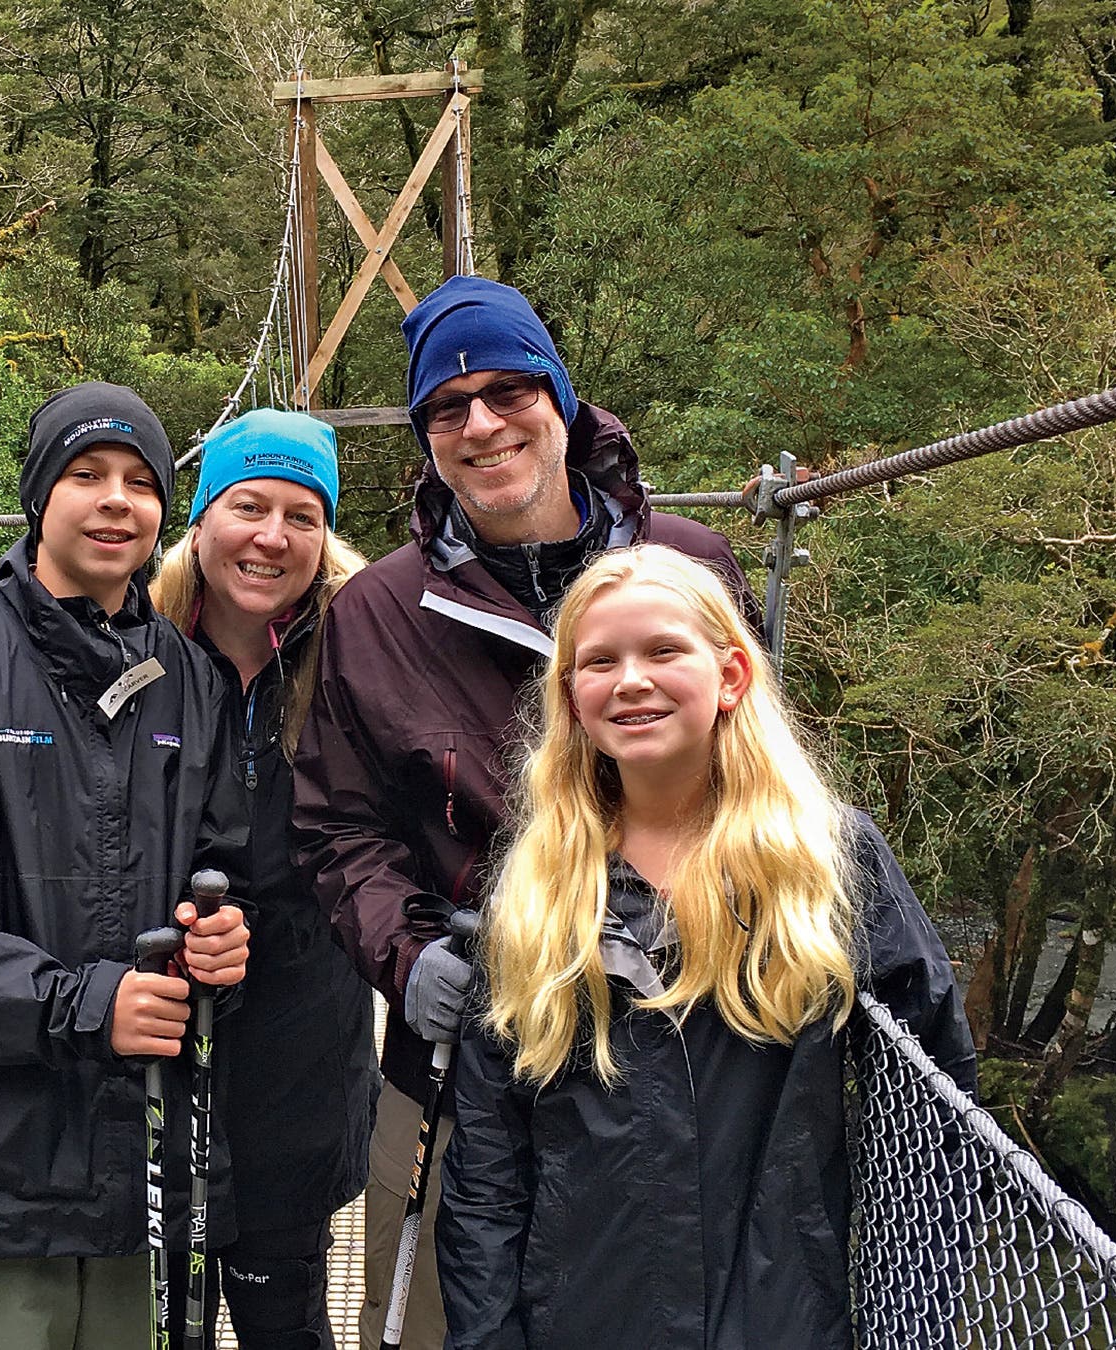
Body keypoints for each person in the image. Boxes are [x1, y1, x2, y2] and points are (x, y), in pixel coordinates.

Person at [292, 275, 754, 1348]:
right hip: (466, 1052)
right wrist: (408, 962)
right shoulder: (378, 613)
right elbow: (336, 827)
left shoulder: (690, 565)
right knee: (429, 1322)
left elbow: (758, 773)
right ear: (424, 439)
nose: (482, 425)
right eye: (447, 410)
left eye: (509, 391)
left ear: (563, 398)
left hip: (686, 1039)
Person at [434, 544, 976, 1348]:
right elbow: (487, 1152)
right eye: (599, 662)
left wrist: (914, 1320)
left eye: (663, 651)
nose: (630, 680)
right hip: (581, 1312)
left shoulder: (824, 861)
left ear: (731, 677)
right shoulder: (537, 882)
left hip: (780, 1310)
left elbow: (936, 1107)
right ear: (572, 698)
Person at [0, 381, 254, 1350]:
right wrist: (82, 1005)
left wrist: (225, 947)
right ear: (38, 497)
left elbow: (220, 865)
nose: (116, 500)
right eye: (86, 475)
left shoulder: (189, 681)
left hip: (131, 1161)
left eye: (140, 483)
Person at [149, 409, 376, 1349]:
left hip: (304, 1042)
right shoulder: (130, 642)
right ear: (200, 520)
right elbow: (0, 700)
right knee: (165, 1315)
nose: (271, 537)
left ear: (325, 536)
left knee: (286, 1306)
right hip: (159, 1030)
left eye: (301, 514)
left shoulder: (366, 646)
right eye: (247, 505)